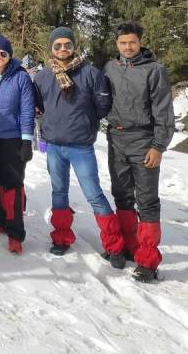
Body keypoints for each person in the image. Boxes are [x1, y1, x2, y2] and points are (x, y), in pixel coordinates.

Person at [35, 27, 125, 268]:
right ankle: (62, 237)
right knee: (59, 193)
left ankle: (114, 246)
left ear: (74, 46)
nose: (63, 49)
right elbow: (38, 105)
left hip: (81, 146)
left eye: (67, 44)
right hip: (54, 145)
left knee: (93, 194)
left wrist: (86, 122)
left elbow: (102, 105)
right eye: (58, 45)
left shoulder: (90, 73)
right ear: (51, 48)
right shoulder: (44, 76)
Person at [104, 21, 175, 282]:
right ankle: (128, 246)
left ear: (140, 42)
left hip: (144, 141)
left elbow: (164, 111)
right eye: (123, 43)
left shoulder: (154, 70)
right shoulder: (110, 67)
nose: (128, 47)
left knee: (146, 201)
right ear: (117, 44)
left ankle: (147, 260)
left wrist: (158, 146)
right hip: (116, 139)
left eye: (132, 42)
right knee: (121, 195)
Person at [0, 34, 36, 254]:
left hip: (13, 138)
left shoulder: (20, 76)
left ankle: (15, 233)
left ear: (10, 55)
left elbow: (27, 109)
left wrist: (26, 140)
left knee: (13, 183)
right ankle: (3, 220)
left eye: (3, 53)